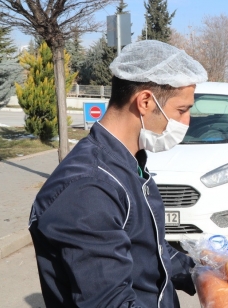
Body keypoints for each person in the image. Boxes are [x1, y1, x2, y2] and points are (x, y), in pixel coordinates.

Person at [28, 40, 206, 307]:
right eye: (182, 110)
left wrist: (204, 273)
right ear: (145, 101)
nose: (187, 122)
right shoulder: (89, 189)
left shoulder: (129, 162)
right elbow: (110, 302)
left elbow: (149, 251)